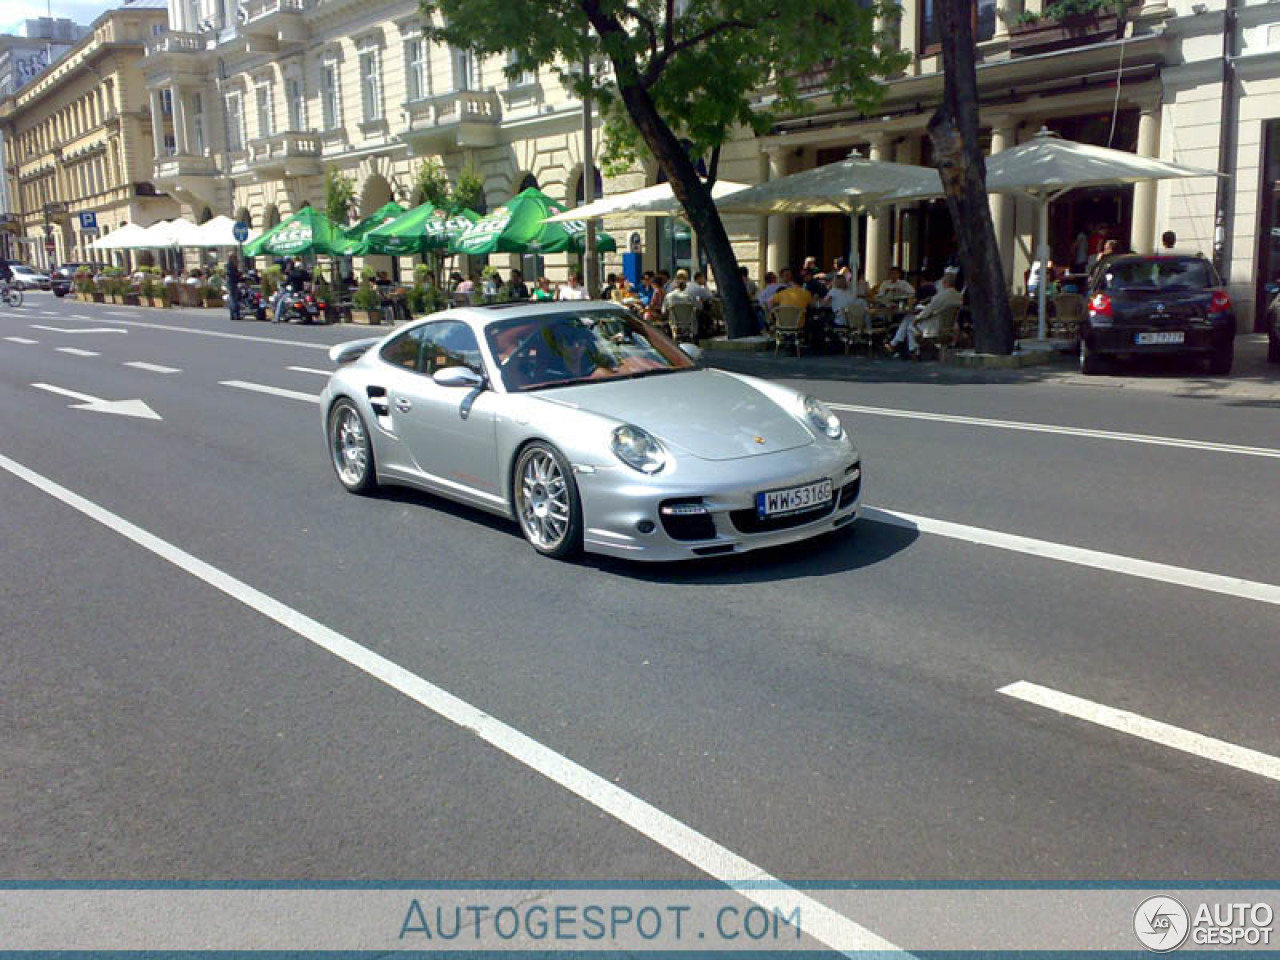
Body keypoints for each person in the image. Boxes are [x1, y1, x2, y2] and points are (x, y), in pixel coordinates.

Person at [888, 272, 963, 359]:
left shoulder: (941, 296)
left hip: (936, 325)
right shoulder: (958, 296)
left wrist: (918, 318)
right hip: (949, 325)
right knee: (908, 319)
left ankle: (913, 350)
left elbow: (928, 311)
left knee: (910, 325)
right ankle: (895, 343)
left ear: (945, 283)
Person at [226, 253, 243, 321]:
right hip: (232, 283)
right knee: (234, 299)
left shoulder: (231, 265)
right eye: (235, 257)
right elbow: (233, 274)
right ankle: (236, 315)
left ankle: (233, 315)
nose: (237, 259)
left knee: (233, 299)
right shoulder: (230, 265)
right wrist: (239, 274)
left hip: (232, 283)